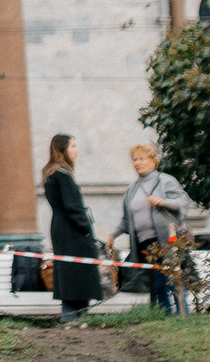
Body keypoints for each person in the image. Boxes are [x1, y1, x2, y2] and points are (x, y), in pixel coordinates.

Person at [113, 143, 195, 314]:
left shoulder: (165, 181)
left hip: (168, 240)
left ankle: (183, 314)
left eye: (141, 159)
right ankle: (166, 315)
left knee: (173, 278)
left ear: (153, 161)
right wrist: (113, 235)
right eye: (135, 159)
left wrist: (163, 202)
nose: (137, 163)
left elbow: (184, 201)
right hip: (147, 244)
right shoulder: (131, 189)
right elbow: (126, 219)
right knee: (158, 282)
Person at [42, 134, 103, 323]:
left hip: (60, 228)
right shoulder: (63, 175)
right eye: (73, 146)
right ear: (63, 150)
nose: (76, 150)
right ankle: (73, 318)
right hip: (72, 231)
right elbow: (73, 207)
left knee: (69, 272)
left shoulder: (51, 173)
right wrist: (86, 228)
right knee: (78, 272)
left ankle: (71, 316)